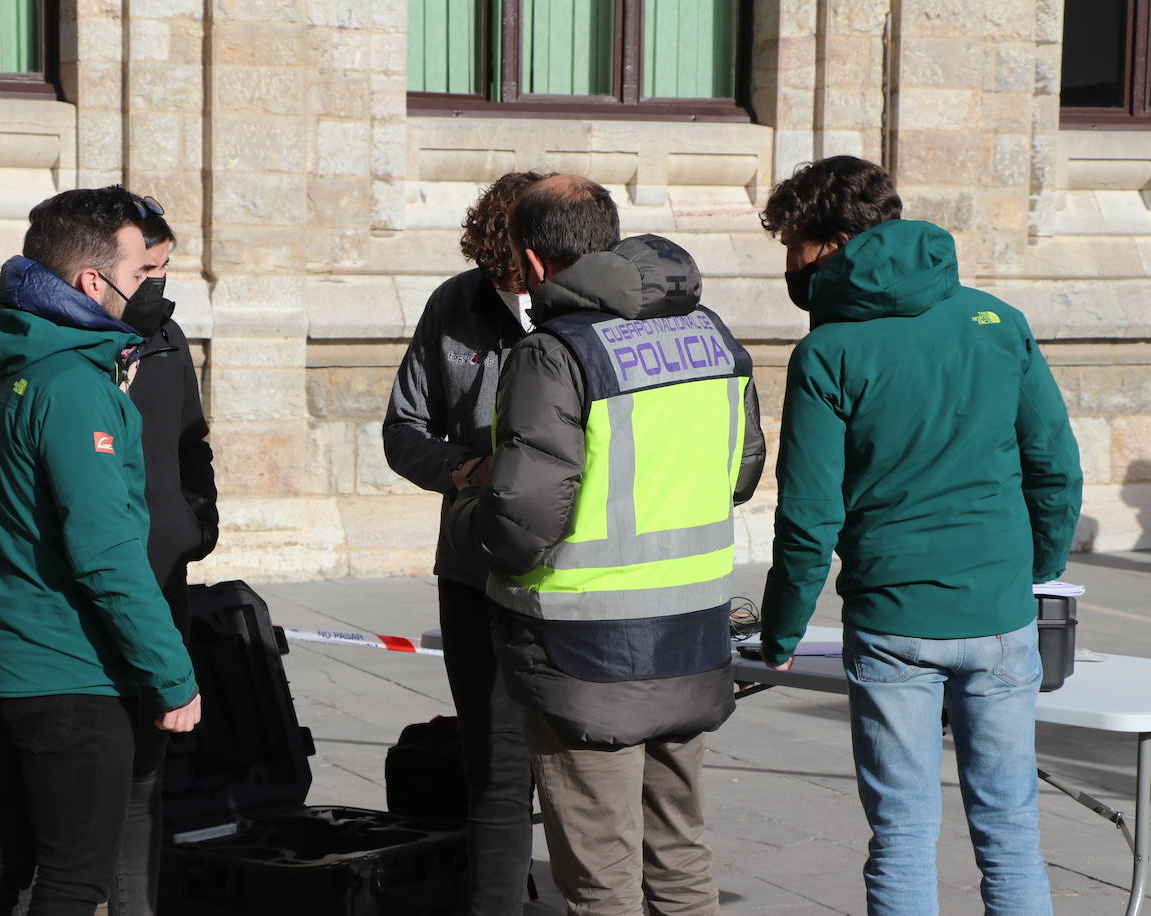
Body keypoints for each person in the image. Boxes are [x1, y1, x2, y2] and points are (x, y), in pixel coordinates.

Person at [756, 156, 1082, 916]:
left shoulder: (828, 353)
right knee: (1011, 828)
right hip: (1001, 616)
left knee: (903, 833)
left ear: (833, 242)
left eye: (793, 245)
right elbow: (1056, 469)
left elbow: (807, 517)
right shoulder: (998, 321)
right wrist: (1030, 571)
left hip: (894, 623)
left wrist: (780, 634)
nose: (790, 263)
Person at [448, 175, 765, 915]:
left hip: (583, 654)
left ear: (530, 262)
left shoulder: (555, 353)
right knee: (681, 856)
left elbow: (522, 519)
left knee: (599, 877)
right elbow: (742, 473)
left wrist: (467, 512)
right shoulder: (708, 333)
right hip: (691, 637)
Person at [0, 187, 202, 916]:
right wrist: (172, 674)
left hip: (7, 660)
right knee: (71, 880)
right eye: (139, 274)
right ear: (93, 281)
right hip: (73, 674)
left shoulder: (4, 363)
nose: (147, 290)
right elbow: (107, 555)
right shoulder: (75, 385)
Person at [383, 171, 548, 915]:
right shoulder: (452, 303)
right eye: (499, 281)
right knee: (496, 772)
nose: (515, 297)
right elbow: (403, 430)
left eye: (523, 281)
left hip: (570, 577)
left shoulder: (600, 310)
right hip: (474, 568)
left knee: (587, 776)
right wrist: (460, 466)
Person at [108, 197, 220, 915]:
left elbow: (190, 445)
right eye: (147, 268)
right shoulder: (55, 350)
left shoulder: (167, 338)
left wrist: (195, 522)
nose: (159, 281)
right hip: (87, 605)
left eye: (167, 267)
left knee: (145, 782)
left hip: (160, 585)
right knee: (80, 794)